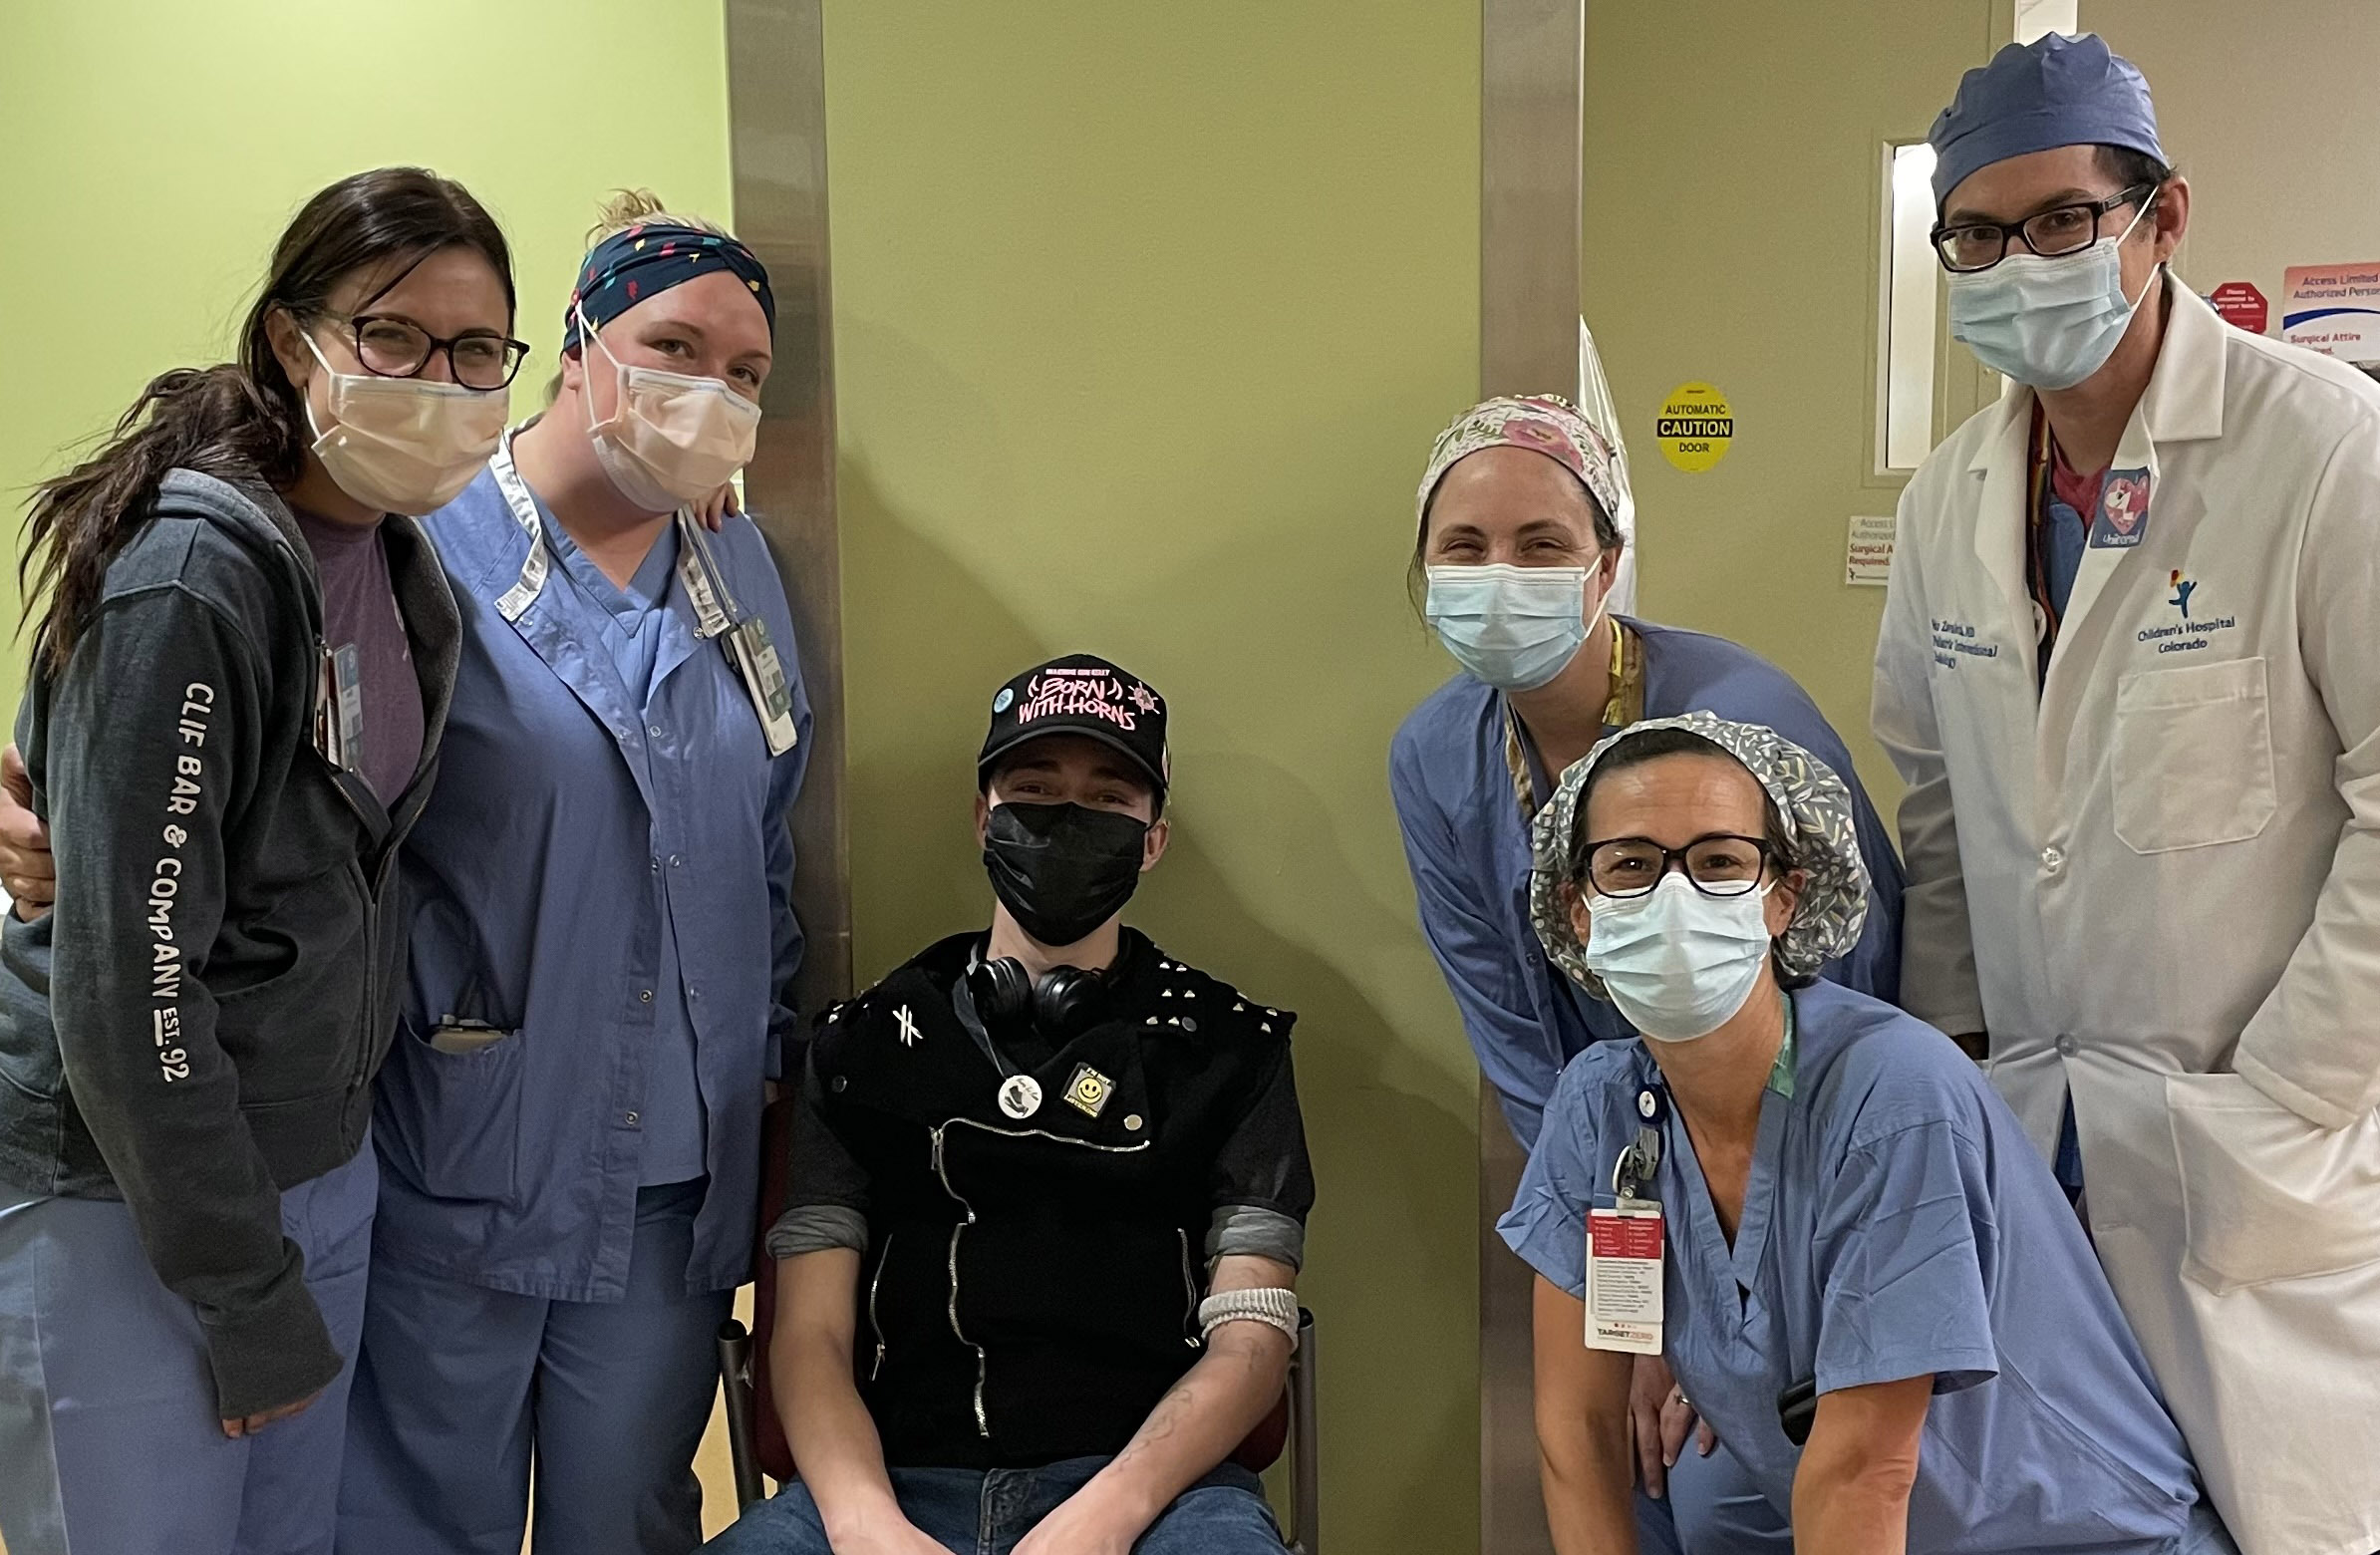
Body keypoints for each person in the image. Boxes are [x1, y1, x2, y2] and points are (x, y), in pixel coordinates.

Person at [1872, 34, 2380, 1555]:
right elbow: (1939, 817)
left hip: (2256, 1151)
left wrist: (2287, 1095)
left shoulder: (2325, 451)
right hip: (2028, 1146)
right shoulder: (1950, 501)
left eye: (2061, 223)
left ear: (2162, 222)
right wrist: (1954, 1076)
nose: (2016, 262)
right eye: (1978, 233)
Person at [0, 167, 517, 1555]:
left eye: (479, 352)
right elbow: (128, 984)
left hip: (313, 1166)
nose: (442, 382)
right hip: (136, 1192)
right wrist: (239, 1285)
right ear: (295, 344)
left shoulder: (395, 558)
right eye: (394, 338)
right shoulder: (194, 577)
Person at [332, 193, 809, 1555]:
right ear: (579, 343)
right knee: (422, 1520)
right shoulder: (419, 544)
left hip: (673, 1185)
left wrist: (766, 1062)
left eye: (744, 373)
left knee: (634, 1519)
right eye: (675, 347)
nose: (708, 394)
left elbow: (765, 827)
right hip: (464, 1149)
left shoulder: (735, 561)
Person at [1504, 711, 2235, 1555]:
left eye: (1718, 863)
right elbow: (1578, 1428)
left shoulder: (1892, 1096)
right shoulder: (1597, 1106)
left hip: (2084, 1537)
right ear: (1580, 910)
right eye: (1629, 865)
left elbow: (1865, 1470)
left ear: (1785, 896)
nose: (1675, 898)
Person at [1387, 393, 1904, 1552]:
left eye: (1541, 545)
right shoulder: (1436, 757)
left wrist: (1735, 1311)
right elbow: (1520, 1041)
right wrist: (1645, 1321)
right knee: (1625, 1460)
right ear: (1422, 572)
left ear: (1608, 562)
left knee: (1737, 1480)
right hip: (1631, 1174)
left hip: (1807, 1170)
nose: (1498, 573)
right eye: (1462, 548)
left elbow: (1844, 1000)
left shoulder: (1739, 723)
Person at [707, 654, 1312, 1555]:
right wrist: (867, 1523)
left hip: (1155, 1494)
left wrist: (1107, 1517)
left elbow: (1252, 1343)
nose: (1069, 819)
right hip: (890, 1479)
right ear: (981, 815)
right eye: (1034, 788)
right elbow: (809, 1336)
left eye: (1109, 800)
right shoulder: (858, 1047)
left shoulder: (1232, 1052)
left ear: (1154, 839)